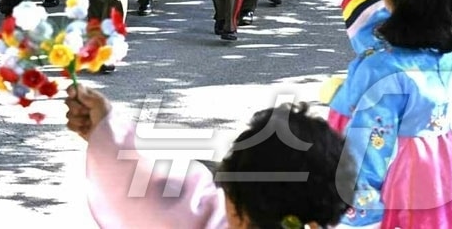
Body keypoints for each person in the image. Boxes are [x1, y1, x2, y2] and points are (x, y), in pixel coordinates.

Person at [326, 0, 452, 227]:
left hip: (394, 192)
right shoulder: (439, 53)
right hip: (434, 184)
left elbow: (367, 154)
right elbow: (380, 32)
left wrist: (347, 216)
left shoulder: (380, 70)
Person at [66, 83, 355, 228]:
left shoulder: (205, 218)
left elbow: (147, 200)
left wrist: (106, 129)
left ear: (237, 211)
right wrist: (103, 129)